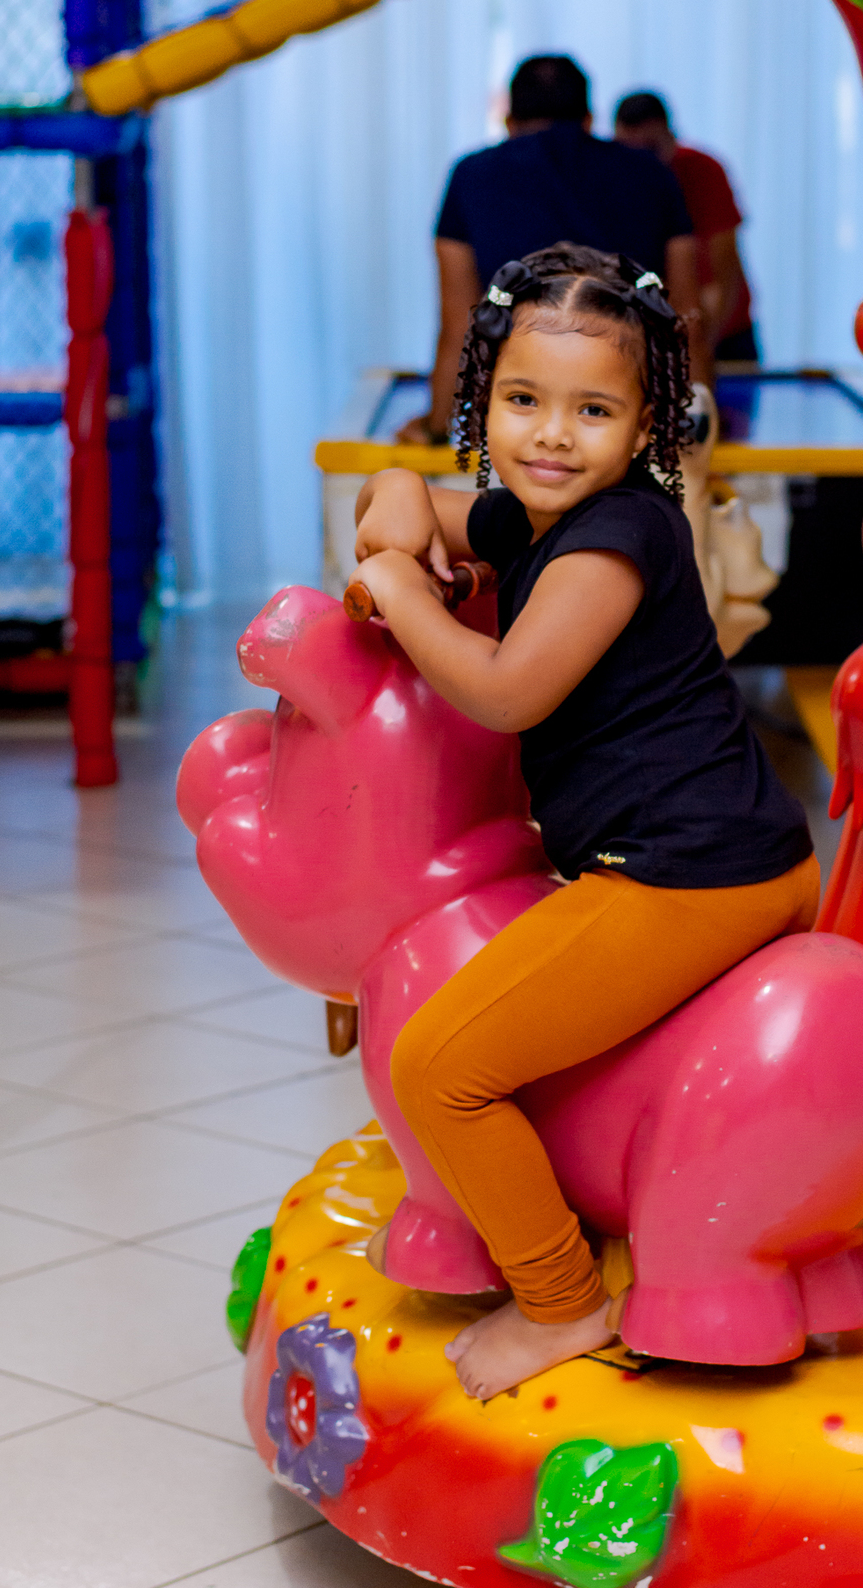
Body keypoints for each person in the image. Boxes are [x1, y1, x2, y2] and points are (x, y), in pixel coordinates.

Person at [350, 242, 816, 1398]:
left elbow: (506, 690)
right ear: (484, 402)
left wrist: (403, 588)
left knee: (439, 1069)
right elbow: (402, 498)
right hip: (682, 856)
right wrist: (401, 498)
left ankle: (560, 1303)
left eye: (592, 411)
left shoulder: (619, 537)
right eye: (523, 402)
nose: (551, 437)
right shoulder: (535, 515)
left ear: (646, 424)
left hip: (689, 873)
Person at [396, 57, 708, 445]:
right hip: (627, 410)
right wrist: (697, 431)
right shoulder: (651, 174)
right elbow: (686, 318)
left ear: (509, 122)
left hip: (526, 413)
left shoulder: (471, 176)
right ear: (589, 119)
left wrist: (437, 425)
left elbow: (460, 323)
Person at [614, 90, 759, 362]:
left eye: (651, 148)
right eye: (631, 152)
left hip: (721, 332)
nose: (644, 163)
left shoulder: (702, 170)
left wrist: (699, 346)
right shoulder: (611, 179)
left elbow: (724, 269)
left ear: (671, 138)